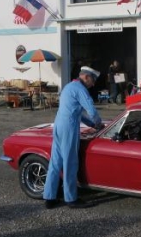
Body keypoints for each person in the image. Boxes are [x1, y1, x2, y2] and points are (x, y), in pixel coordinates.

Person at [43, 66, 104, 209]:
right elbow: (91, 110)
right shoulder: (81, 89)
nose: (93, 84)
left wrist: (91, 124)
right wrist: (98, 124)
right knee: (70, 163)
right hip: (69, 128)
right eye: (93, 80)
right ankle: (71, 199)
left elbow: (77, 113)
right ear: (87, 77)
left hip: (58, 125)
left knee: (55, 162)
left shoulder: (69, 87)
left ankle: (49, 197)